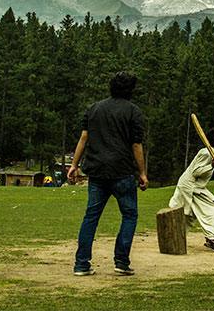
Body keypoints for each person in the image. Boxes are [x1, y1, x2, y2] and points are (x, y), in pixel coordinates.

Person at [68, 71, 147, 277]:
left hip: (97, 172)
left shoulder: (94, 108)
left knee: (91, 217)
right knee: (129, 215)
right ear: (131, 90)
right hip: (122, 172)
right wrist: (142, 172)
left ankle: (81, 264)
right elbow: (136, 145)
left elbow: (84, 138)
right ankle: (121, 261)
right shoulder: (133, 112)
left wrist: (74, 164)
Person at [169, 128, 214, 251]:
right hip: (190, 186)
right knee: (210, 207)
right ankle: (210, 238)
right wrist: (210, 166)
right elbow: (196, 172)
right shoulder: (205, 153)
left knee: (191, 215)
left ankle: (207, 238)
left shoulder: (213, 153)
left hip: (195, 187)